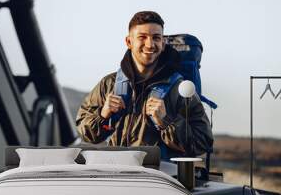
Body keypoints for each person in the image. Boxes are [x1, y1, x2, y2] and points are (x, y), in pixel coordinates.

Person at [76, 11, 213, 159]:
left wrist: (165, 122)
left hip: (159, 179)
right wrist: (103, 115)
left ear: (163, 43)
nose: (150, 44)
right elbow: (86, 133)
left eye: (156, 38)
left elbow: (203, 143)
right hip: (116, 175)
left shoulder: (179, 89)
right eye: (142, 37)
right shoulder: (109, 84)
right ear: (129, 42)